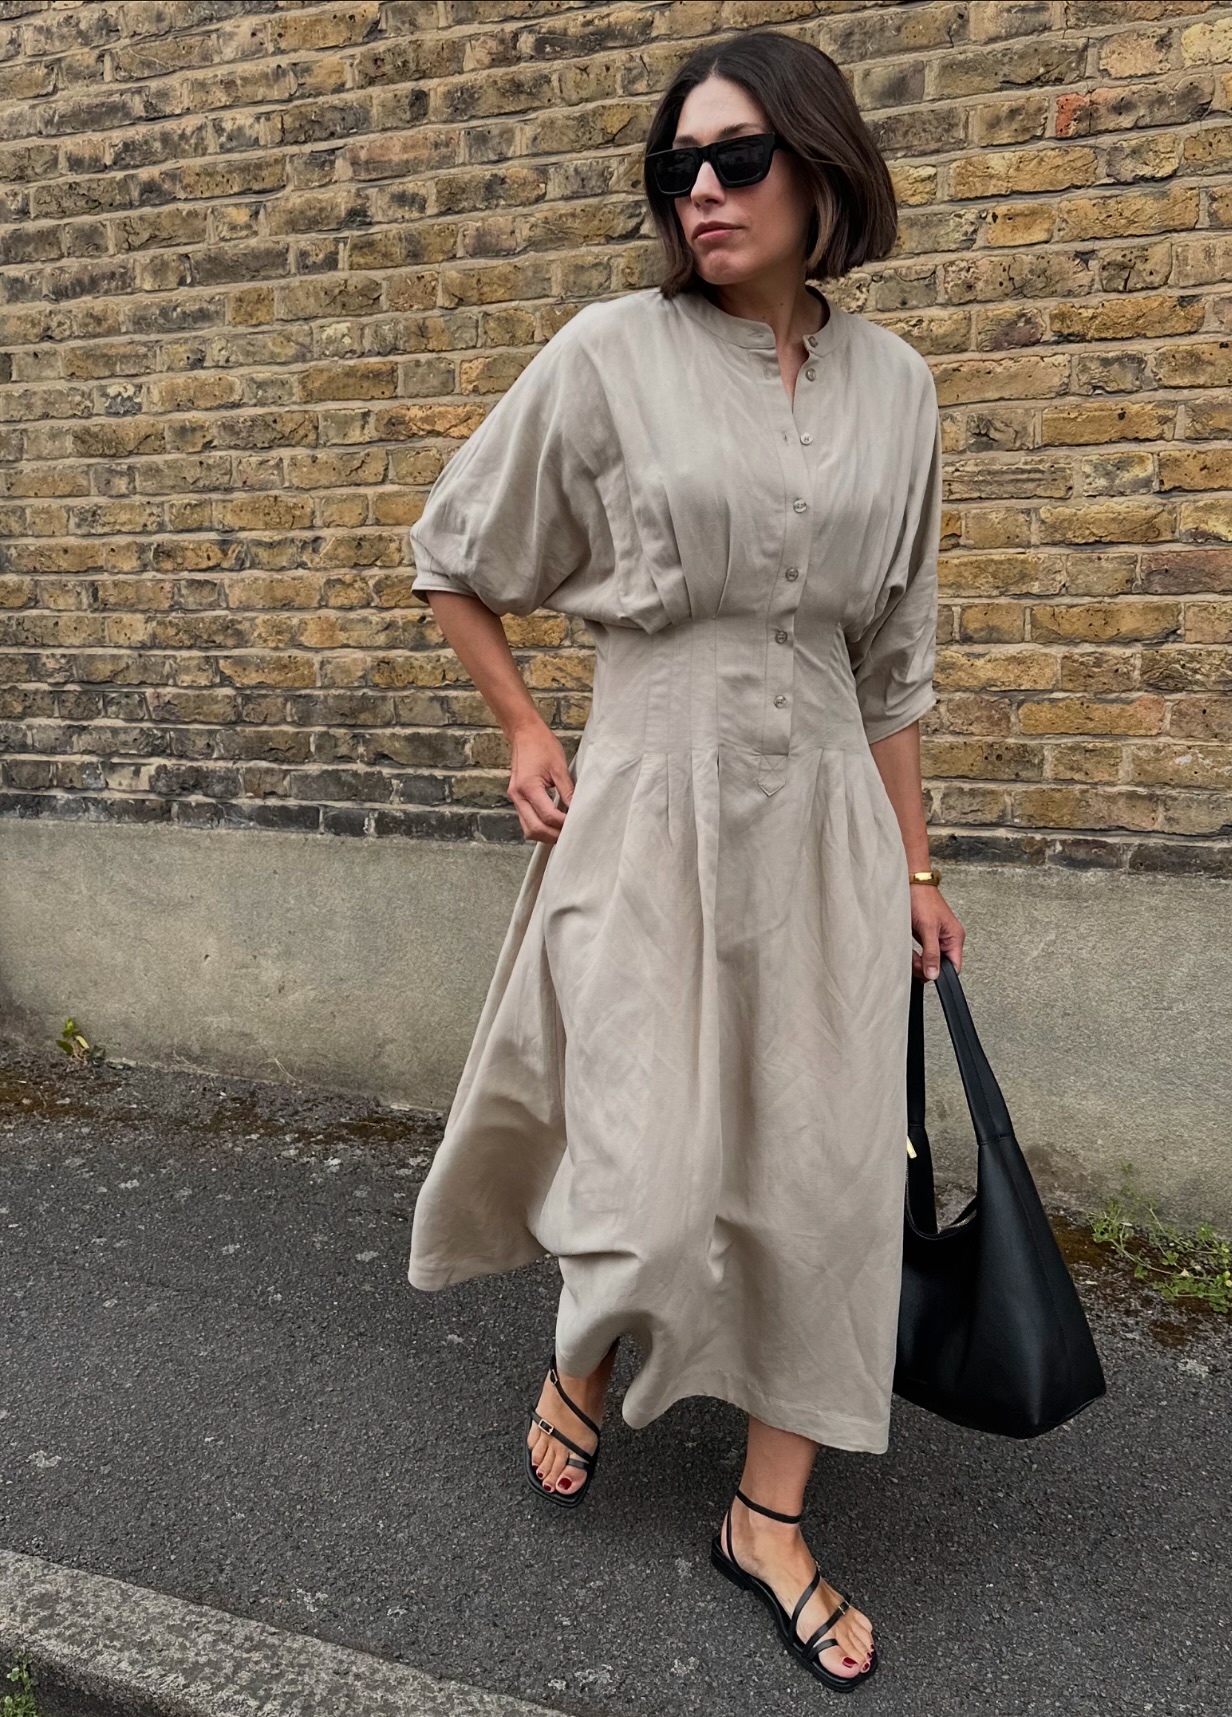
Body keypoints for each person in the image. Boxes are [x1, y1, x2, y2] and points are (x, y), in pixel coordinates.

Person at [404, 27, 965, 1694]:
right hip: (650, 803)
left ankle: (768, 1516)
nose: (700, 192)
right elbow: (454, 555)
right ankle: (592, 1354)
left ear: (820, 168)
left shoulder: (901, 390)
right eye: (677, 168)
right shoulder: (609, 355)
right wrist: (522, 727)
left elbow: (897, 664)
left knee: (834, 1185)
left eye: (735, 159)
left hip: (827, 836)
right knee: (645, 1185)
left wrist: (921, 867)